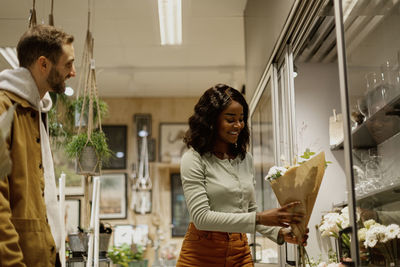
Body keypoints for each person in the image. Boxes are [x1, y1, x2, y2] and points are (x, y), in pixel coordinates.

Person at [177, 84, 307, 267]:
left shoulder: (245, 159)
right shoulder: (193, 159)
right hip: (201, 255)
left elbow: (249, 211)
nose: (238, 125)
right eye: (230, 119)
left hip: (239, 251)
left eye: (241, 118)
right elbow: (201, 218)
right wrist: (261, 218)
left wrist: (278, 233)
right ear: (211, 121)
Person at [0, 24, 76, 266]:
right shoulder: (5, 109)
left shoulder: (36, 109)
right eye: (68, 64)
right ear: (43, 64)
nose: (73, 72)